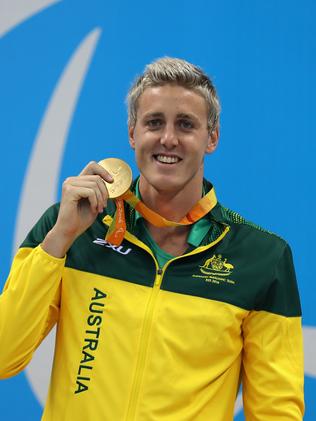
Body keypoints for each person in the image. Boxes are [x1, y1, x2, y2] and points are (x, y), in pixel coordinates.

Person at [0, 57, 304, 420]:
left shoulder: (261, 257)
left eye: (186, 125)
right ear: (132, 132)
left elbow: (276, 411)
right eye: (154, 122)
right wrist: (59, 240)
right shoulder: (73, 227)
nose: (168, 138)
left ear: (212, 137)